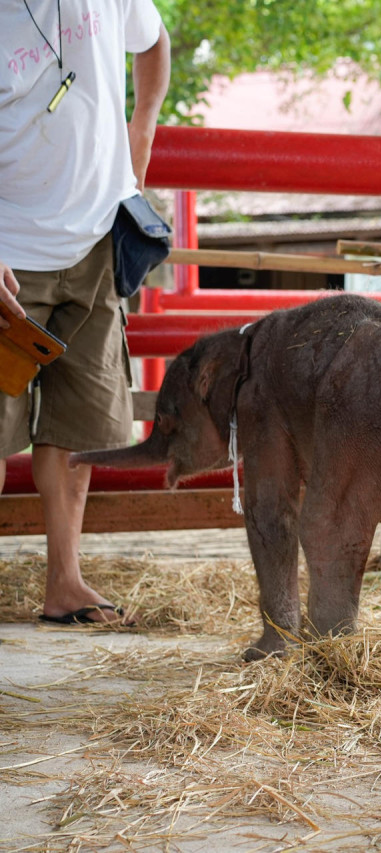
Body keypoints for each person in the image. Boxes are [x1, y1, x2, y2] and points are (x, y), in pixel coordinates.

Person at [0, 0, 171, 625]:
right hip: (7, 252)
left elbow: (154, 44)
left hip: (98, 242)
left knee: (81, 425)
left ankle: (64, 582)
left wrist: (142, 128)